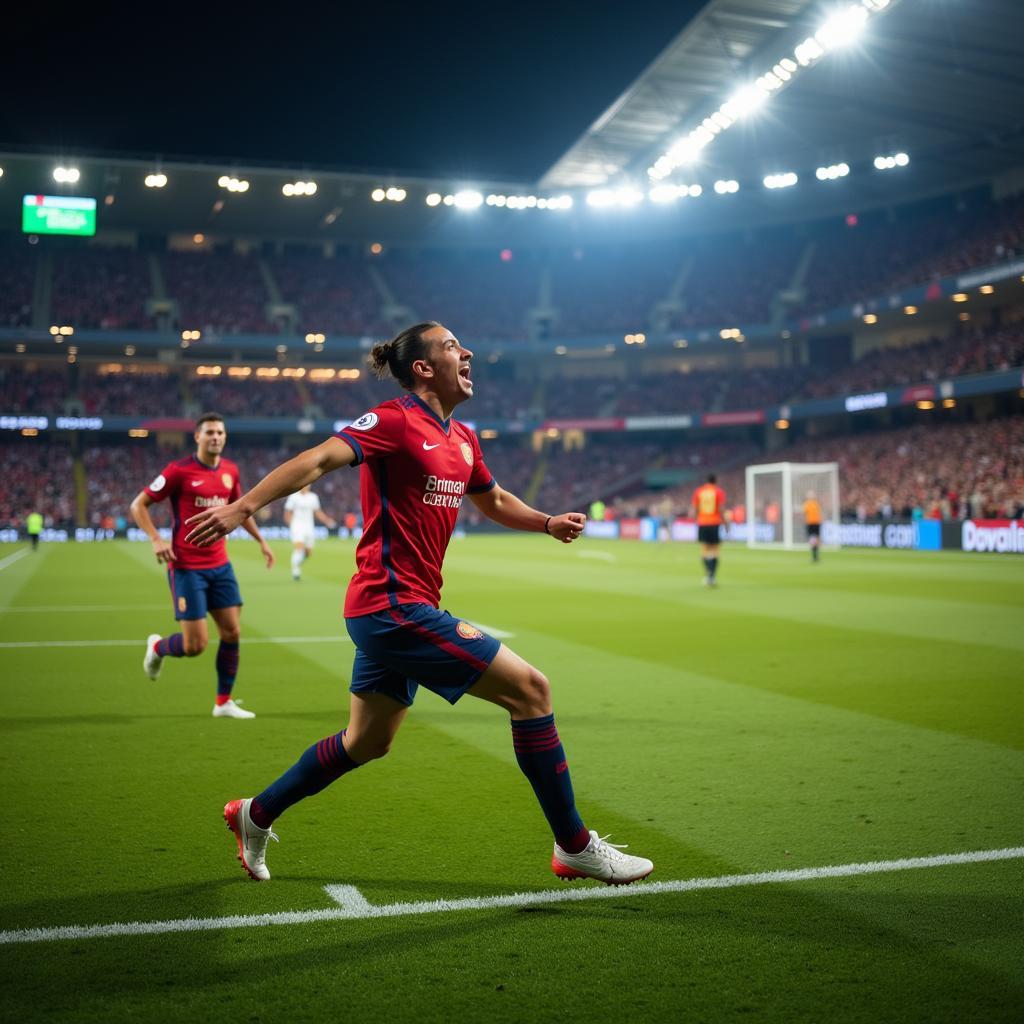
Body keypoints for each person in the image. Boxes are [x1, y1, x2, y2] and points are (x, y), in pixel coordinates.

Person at [186, 322, 653, 886]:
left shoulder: (464, 438)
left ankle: (254, 814)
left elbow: (495, 500)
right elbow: (316, 461)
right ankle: (574, 845)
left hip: (398, 609)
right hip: (391, 606)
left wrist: (546, 522)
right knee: (532, 691)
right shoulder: (393, 420)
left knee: (367, 742)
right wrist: (243, 508)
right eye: (454, 345)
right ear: (424, 368)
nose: (469, 351)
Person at [129, 412, 275, 719]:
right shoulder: (178, 471)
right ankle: (157, 648)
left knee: (232, 632)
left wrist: (261, 541)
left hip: (220, 565)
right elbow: (138, 505)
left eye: (220, 432)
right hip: (186, 567)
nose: (216, 437)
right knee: (195, 645)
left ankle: (223, 702)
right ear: (197, 436)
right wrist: (156, 539)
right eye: (209, 432)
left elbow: (241, 510)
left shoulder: (231, 471)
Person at [284, 484, 337, 581]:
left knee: (308, 552)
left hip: (309, 527)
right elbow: (287, 512)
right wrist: (290, 525)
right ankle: (296, 570)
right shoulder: (293, 497)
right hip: (297, 526)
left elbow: (317, 512)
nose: (307, 486)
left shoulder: (313, 497)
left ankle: (296, 563)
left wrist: (327, 521)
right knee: (299, 547)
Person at [689, 473, 727, 586]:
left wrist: (696, 520)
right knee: (715, 550)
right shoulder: (718, 491)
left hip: (702, 522)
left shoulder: (699, 491)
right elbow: (721, 508)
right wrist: (725, 522)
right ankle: (712, 576)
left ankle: (708, 574)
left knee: (705, 550)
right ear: (715, 481)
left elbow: (695, 508)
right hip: (714, 522)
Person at [802, 490, 823, 562]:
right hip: (810, 523)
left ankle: (816, 556)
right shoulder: (807, 504)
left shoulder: (815, 504)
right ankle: (815, 556)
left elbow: (819, 513)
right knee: (812, 539)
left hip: (816, 523)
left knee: (815, 539)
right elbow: (805, 513)